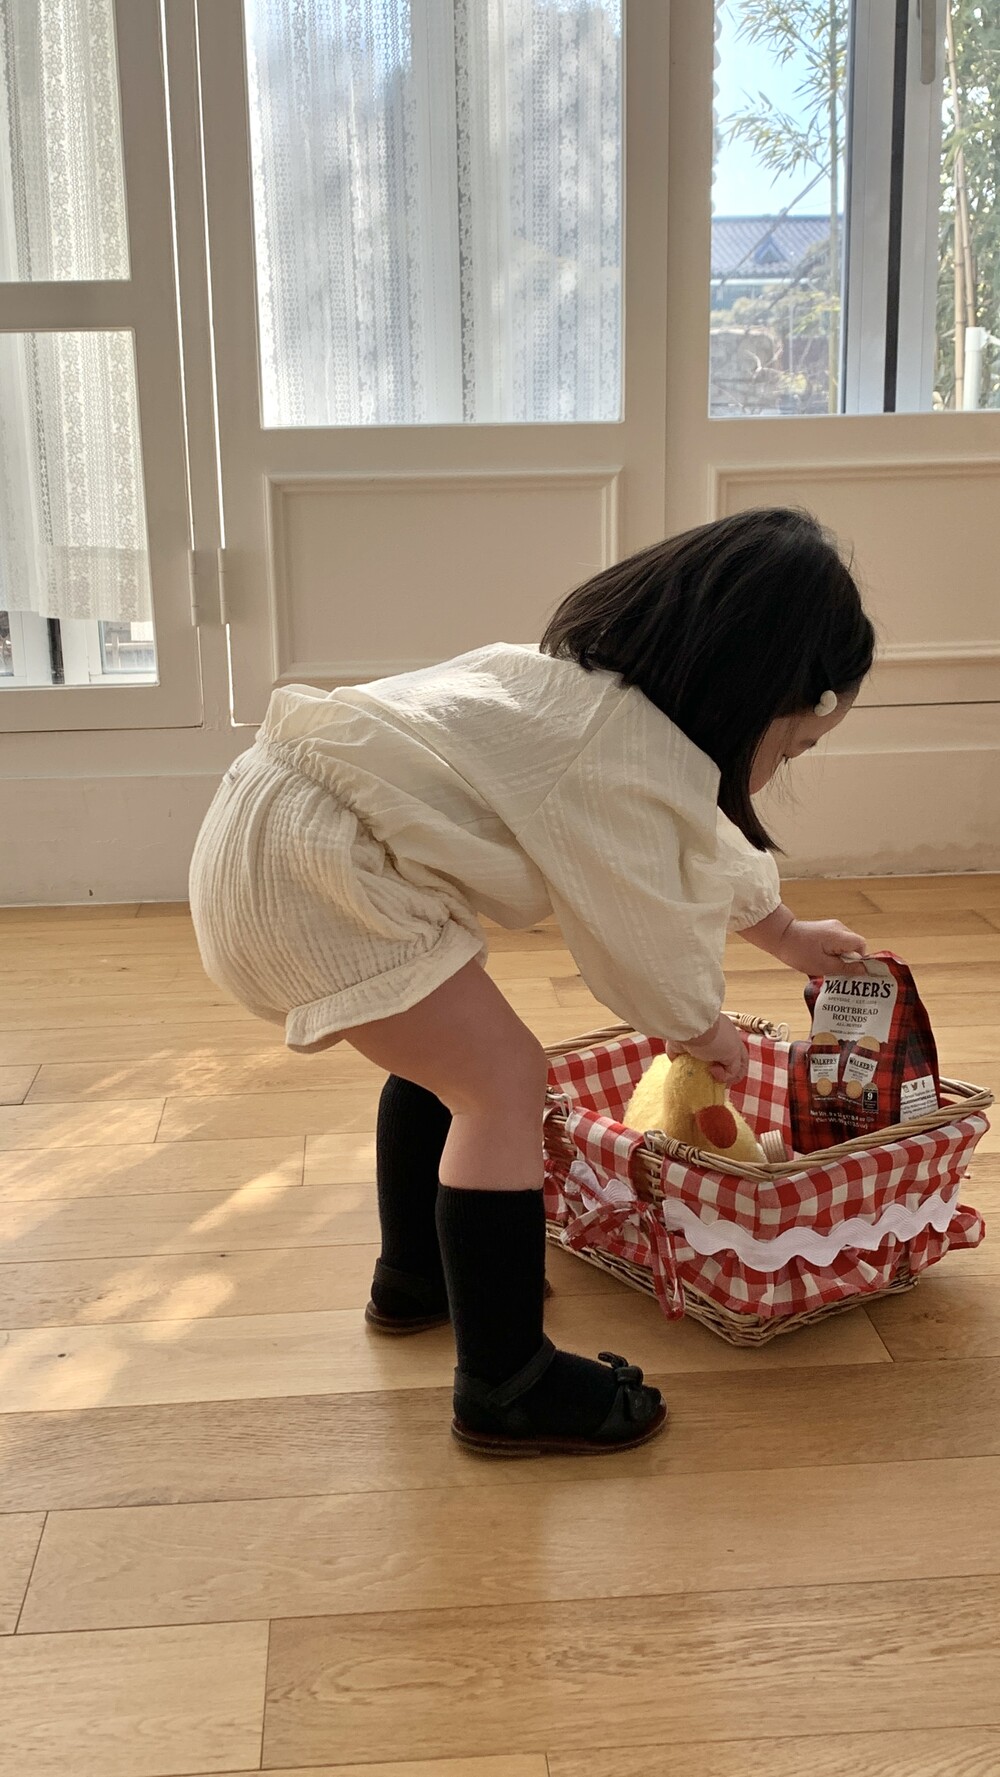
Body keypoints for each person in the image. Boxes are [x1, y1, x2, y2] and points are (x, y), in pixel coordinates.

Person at [189, 507, 876, 1457]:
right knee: (504, 1085)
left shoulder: (572, 696)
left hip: (270, 834)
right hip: (319, 877)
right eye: (791, 747)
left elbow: (692, 842)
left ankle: (418, 1276)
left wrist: (786, 933)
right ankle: (506, 1379)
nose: (780, 770)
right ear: (755, 697)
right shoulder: (618, 754)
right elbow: (644, 930)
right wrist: (700, 1026)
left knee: (452, 1061)